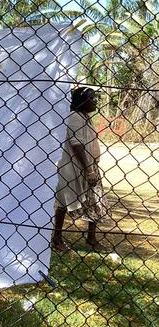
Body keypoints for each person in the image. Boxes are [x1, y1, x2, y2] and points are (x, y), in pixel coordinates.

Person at [52, 87, 109, 252]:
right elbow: (76, 144)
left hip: (90, 166)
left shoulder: (86, 117)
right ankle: (57, 238)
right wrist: (88, 170)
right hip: (75, 167)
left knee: (95, 199)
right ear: (82, 100)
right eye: (92, 98)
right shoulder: (74, 117)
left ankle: (91, 239)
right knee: (64, 203)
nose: (95, 101)